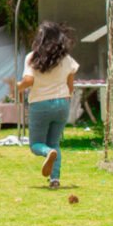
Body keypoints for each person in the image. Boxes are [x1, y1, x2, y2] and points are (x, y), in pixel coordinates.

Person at [17, 22, 78, 189]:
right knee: (55, 142)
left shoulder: (32, 57)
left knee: (36, 144)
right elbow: (70, 85)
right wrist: (66, 98)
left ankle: (47, 153)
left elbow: (29, 80)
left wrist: (18, 87)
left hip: (40, 104)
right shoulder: (66, 59)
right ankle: (54, 179)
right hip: (62, 103)